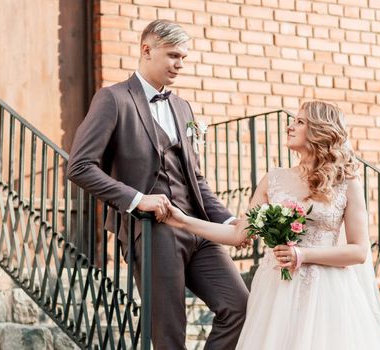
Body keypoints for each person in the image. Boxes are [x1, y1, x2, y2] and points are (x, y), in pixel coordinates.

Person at [67, 19, 248, 350]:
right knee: (169, 333)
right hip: (152, 230)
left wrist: (227, 220)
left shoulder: (182, 107)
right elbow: (80, 166)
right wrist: (138, 200)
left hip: (198, 228)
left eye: (184, 58)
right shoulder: (113, 99)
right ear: (146, 50)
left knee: (239, 307)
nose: (179, 65)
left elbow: (195, 179)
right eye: (173, 56)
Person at [165, 101, 380, 349]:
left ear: (320, 130)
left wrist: (302, 254)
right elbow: (238, 234)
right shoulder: (274, 179)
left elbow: (358, 251)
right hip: (277, 291)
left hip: (325, 294)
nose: (290, 127)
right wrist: (184, 221)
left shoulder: (346, 183)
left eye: (300, 122)